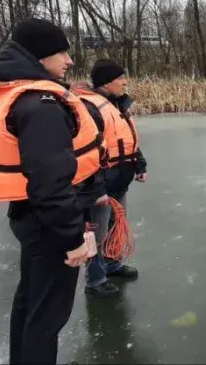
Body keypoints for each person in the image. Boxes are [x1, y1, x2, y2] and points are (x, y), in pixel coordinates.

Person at [0, 18, 103, 364]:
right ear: (40, 56)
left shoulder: (16, 94)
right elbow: (51, 184)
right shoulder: (40, 104)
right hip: (48, 224)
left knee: (31, 302)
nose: (69, 61)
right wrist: (72, 236)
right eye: (61, 52)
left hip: (29, 216)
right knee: (47, 317)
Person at [73, 59, 146, 298]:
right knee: (97, 232)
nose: (125, 81)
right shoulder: (90, 108)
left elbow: (126, 139)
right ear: (106, 81)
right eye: (120, 77)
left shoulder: (117, 105)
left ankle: (112, 265)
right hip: (99, 184)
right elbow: (86, 152)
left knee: (116, 225)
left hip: (119, 179)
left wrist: (139, 164)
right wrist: (95, 188)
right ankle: (95, 280)